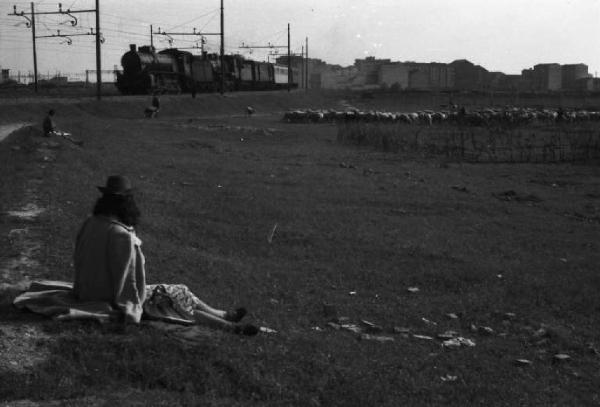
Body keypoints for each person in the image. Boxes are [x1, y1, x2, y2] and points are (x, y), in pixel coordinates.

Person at [73, 175, 258, 335]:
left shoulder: (92, 222)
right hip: (110, 295)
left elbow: (80, 256)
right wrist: (132, 304)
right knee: (173, 300)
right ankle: (228, 327)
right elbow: (127, 279)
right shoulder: (120, 235)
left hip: (88, 289)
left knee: (180, 290)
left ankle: (223, 315)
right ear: (126, 203)